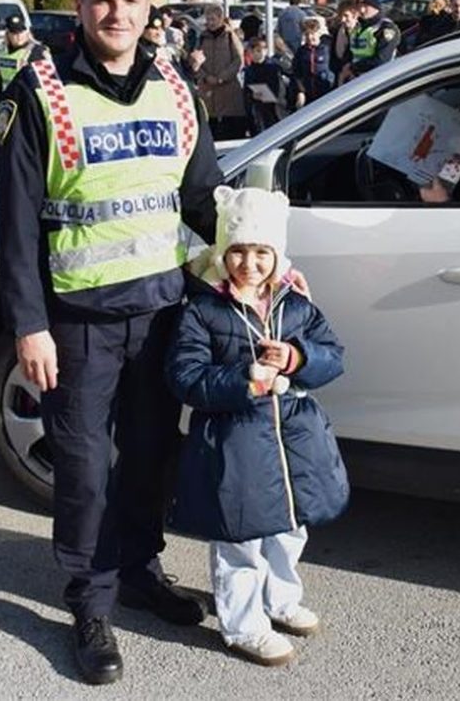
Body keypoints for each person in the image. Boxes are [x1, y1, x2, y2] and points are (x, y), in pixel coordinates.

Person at [0, 0, 223, 685]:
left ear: (149, 6)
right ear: (83, 4)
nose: (117, 11)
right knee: (87, 473)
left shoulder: (176, 89)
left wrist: (261, 264)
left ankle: (139, 568)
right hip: (78, 325)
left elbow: (203, 202)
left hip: (159, 315)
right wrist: (29, 324)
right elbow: (16, 222)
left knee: (151, 457)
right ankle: (91, 603)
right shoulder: (40, 89)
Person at [167, 185, 347, 666]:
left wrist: (297, 357)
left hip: (293, 439)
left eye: (262, 252)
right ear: (223, 253)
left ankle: (280, 599)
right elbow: (185, 376)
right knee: (240, 539)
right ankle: (242, 624)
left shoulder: (296, 303)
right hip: (235, 443)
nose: (250, 263)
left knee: (290, 530)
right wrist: (242, 381)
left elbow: (333, 357)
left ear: (277, 254)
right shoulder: (204, 311)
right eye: (239, 251)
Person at [190, 3, 246, 140]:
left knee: (229, 130)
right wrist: (205, 76)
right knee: (210, 129)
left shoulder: (230, 36)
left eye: (213, 19)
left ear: (220, 18)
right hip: (208, 91)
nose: (210, 23)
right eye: (207, 19)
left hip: (228, 90)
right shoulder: (202, 37)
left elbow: (238, 60)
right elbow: (195, 60)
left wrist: (221, 77)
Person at [338, 0, 399, 84]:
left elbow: (381, 60)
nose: (361, 10)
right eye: (359, 6)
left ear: (375, 7)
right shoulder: (358, 27)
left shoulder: (386, 28)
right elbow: (349, 53)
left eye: (366, 6)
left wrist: (353, 67)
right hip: (354, 80)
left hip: (377, 82)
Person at [242, 36, 293, 135]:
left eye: (259, 50)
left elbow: (280, 87)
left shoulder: (273, 67)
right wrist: (252, 96)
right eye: (253, 51)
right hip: (259, 110)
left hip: (277, 109)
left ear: (265, 51)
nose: (256, 54)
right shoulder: (249, 70)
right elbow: (246, 90)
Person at [0, 13, 47, 101]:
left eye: (21, 32)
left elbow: (45, 81)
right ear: (8, 34)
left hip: (29, 100)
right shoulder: (3, 52)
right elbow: (1, 80)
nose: (18, 36)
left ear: (26, 32)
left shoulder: (36, 51)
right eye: (14, 33)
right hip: (9, 99)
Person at [290, 16, 333, 107]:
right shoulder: (301, 51)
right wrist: (301, 91)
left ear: (318, 33)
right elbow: (296, 73)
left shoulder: (327, 48)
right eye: (306, 35)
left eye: (312, 34)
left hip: (326, 91)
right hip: (308, 93)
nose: (309, 37)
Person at [329, 0, 358, 79]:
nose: (342, 19)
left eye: (346, 15)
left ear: (355, 14)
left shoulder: (363, 32)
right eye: (340, 16)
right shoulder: (338, 32)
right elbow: (333, 58)